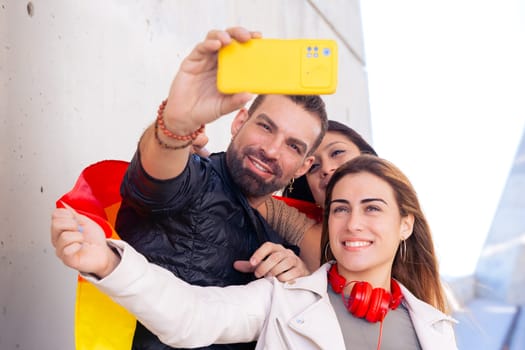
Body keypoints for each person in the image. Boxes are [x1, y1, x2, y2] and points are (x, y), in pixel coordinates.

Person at [51, 155, 458, 350]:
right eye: (340, 209)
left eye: (372, 208)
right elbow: (189, 313)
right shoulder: (281, 298)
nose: (353, 224)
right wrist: (108, 262)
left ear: (405, 224)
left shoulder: (437, 329)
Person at [112, 27, 328, 349]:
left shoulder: (282, 244)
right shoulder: (196, 178)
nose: (271, 150)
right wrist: (176, 125)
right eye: (266, 127)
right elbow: (153, 183)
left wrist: (296, 287)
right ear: (239, 122)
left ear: (304, 166)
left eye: (293, 146)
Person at [259, 120, 378, 271]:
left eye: (337, 153)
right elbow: (241, 189)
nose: (327, 169)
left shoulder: (405, 218)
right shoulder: (299, 227)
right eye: (313, 166)